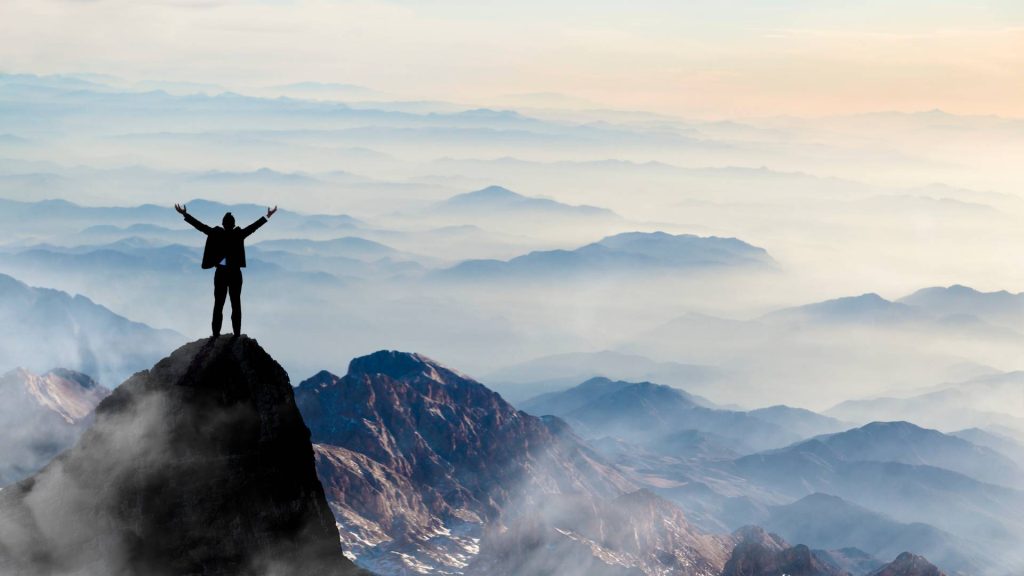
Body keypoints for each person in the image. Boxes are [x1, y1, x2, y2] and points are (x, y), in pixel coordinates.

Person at [175, 203, 277, 337]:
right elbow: (254, 227)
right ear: (233, 224)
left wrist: (184, 214)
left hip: (221, 273)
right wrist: (268, 216)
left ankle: (216, 334)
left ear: (223, 224)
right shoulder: (238, 234)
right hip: (235, 273)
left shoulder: (216, 234)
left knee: (218, 305)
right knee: (236, 304)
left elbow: (199, 226)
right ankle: (237, 334)